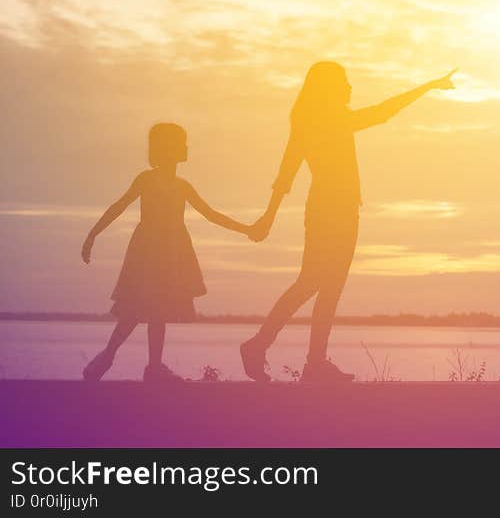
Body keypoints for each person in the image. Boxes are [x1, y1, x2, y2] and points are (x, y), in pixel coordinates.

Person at [240, 62, 456, 382]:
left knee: (321, 285)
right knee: (318, 284)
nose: (350, 87)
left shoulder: (308, 120)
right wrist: (426, 87)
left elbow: (287, 171)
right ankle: (272, 349)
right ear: (329, 88)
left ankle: (304, 359)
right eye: (344, 82)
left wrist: (269, 215)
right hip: (333, 210)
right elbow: (383, 112)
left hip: (332, 209)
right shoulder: (331, 120)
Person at [80, 123, 251, 382]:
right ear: (166, 148)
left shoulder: (183, 186)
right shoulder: (146, 179)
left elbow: (211, 215)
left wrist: (246, 229)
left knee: (157, 311)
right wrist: (93, 234)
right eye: (181, 143)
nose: (186, 147)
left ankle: (151, 367)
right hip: (148, 252)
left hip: (172, 253)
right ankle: (109, 358)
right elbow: (119, 206)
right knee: (135, 311)